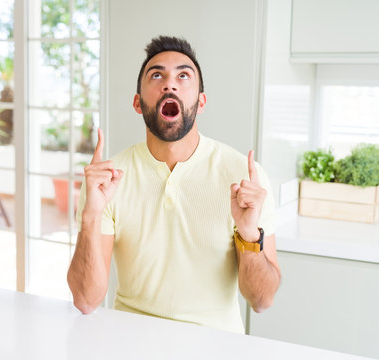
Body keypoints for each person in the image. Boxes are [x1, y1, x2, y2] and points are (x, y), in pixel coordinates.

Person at [67, 35, 281, 334]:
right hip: (130, 340)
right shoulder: (107, 181)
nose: (170, 84)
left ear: (201, 102)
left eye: (183, 75)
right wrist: (91, 215)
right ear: (138, 103)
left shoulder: (245, 178)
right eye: (157, 75)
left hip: (216, 344)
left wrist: (248, 233)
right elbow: (86, 300)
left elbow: (262, 300)